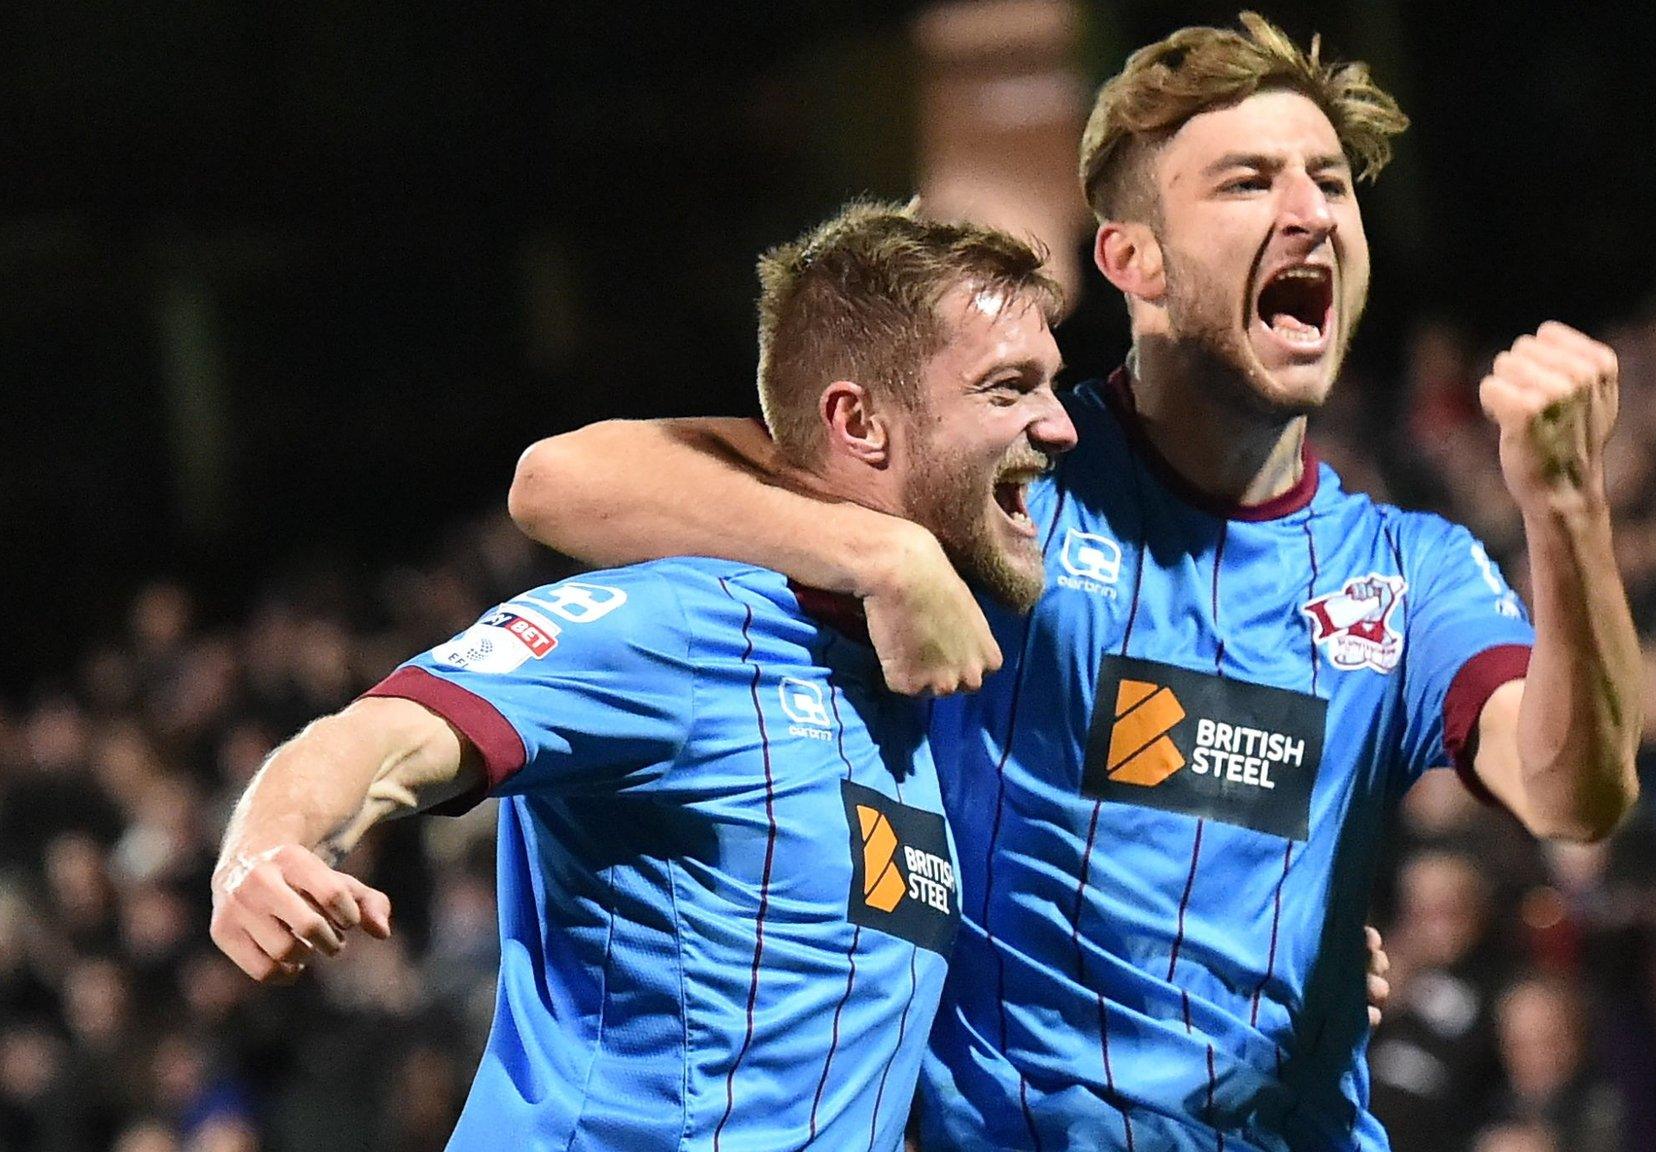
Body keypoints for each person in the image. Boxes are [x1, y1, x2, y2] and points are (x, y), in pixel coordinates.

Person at [509, 13, 1642, 1150]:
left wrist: (1565, 512)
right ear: (1130, 260)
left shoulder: (1409, 572)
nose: (1308, 213)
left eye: (1331, 184)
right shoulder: (1007, 485)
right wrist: (884, 551)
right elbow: (563, 481)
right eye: (1247, 184)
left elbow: (1571, 794)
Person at [206, 201, 1081, 1151]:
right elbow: (384, 734)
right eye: (1007, 389)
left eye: (1051, 385)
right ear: (859, 423)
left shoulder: (907, 690)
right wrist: (271, 845)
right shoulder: (680, 628)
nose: (1059, 424)